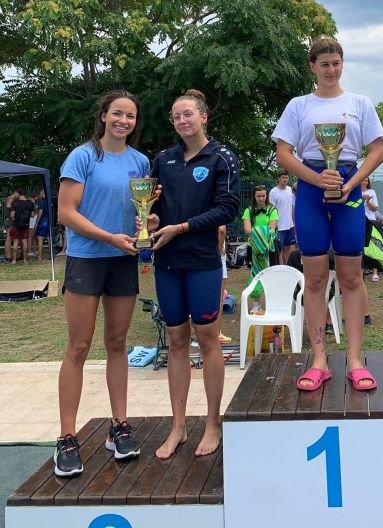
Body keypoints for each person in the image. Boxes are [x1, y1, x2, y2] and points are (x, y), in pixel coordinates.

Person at [272, 36, 383, 391]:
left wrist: (351, 183)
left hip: (348, 188)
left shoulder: (360, 103)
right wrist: (316, 178)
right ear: (313, 67)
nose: (331, 70)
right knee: (315, 278)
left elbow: (377, 151)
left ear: (342, 63)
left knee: (352, 277)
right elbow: (283, 153)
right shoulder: (299, 105)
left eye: (336, 63)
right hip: (310, 191)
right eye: (324, 64)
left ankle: (355, 359)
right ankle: (319, 360)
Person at [55, 90, 150, 477]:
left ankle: (119, 426)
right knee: (78, 346)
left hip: (122, 260)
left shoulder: (140, 161)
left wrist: (147, 222)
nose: (123, 121)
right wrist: (109, 237)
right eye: (117, 114)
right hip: (87, 259)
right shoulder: (82, 157)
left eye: (130, 116)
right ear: (103, 116)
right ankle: (66, 437)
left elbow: (140, 211)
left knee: (117, 344)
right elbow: (66, 213)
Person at [147, 89, 240, 460]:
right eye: (176, 116)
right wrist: (151, 220)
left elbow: (228, 209)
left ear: (203, 117)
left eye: (188, 114)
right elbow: (151, 205)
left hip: (202, 262)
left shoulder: (222, 157)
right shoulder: (163, 160)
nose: (182, 120)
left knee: (208, 339)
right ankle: (178, 427)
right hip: (167, 262)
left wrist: (182, 227)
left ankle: (213, 423)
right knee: (176, 340)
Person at [242, 185, 278, 305]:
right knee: (255, 274)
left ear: (266, 196)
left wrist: (256, 232)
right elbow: (247, 230)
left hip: (270, 247)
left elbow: (272, 229)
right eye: (258, 196)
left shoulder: (272, 210)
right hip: (254, 248)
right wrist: (262, 232)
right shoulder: (248, 211)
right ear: (254, 196)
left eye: (263, 196)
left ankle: (272, 304)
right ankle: (256, 305)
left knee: (271, 274)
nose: (261, 198)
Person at [269, 169, 295, 264]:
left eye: (286, 177)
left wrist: (293, 222)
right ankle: (279, 268)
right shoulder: (273, 192)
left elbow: (291, 206)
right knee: (279, 249)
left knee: (287, 248)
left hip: (290, 225)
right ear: (279, 178)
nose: (285, 179)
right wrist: (274, 225)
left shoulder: (289, 190)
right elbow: (271, 210)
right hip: (279, 227)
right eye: (283, 177)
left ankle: (286, 267)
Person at [361, 176, 380, 282]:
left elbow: (375, 208)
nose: (364, 182)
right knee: (361, 247)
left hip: (371, 220)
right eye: (362, 180)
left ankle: (375, 272)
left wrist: (368, 201)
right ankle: (361, 271)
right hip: (359, 221)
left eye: (366, 180)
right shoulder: (355, 192)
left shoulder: (372, 192)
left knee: (373, 246)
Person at [9, 189, 34, 264]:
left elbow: (12, 215)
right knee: (25, 242)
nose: (14, 195)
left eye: (15, 193)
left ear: (18, 194)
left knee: (15, 242)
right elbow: (32, 215)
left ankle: (14, 260)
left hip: (16, 225)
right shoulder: (30, 203)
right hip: (25, 225)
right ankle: (25, 260)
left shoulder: (15, 203)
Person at [35, 189, 50, 261]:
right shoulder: (49, 201)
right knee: (48, 237)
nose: (39, 194)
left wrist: (37, 222)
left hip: (42, 221)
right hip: (49, 221)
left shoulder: (41, 202)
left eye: (40, 193)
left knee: (40, 238)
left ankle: (39, 257)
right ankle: (51, 255)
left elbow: (40, 212)